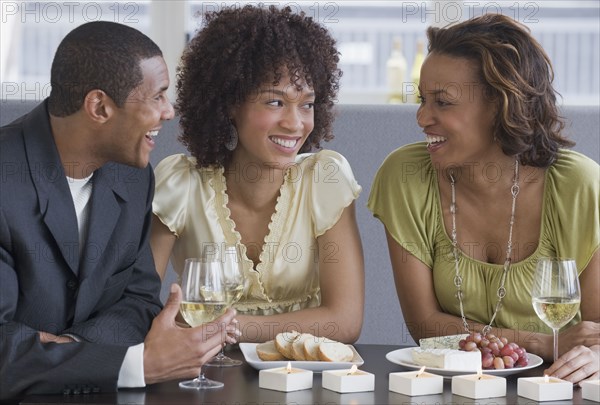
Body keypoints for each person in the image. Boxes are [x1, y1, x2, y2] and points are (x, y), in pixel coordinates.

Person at [0, 21, 238, 400]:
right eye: (158, 96)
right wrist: (135, 365)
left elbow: (139, 301)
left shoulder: (132, 177)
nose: (169, 111)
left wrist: (70, 348)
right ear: (99, 107)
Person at [368, 14, 599, 384]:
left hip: (557, 385)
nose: (422, 117)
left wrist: (594, 356)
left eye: (443, 102)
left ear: (501, 105)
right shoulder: (405, 177)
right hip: (451, 387)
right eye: (423, 99)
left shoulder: (578, 186)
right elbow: (426, 326)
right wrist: (542, 342)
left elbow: (595, 333)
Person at [150, 5, 364, 344]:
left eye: (306, 104)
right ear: (229, 104)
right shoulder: (181, 183)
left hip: (299, 383)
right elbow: (139, 306)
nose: (295, 124)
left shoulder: (324, 179)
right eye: (275, 103)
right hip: (201, 378)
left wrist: (223, 328)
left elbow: (344, 322)